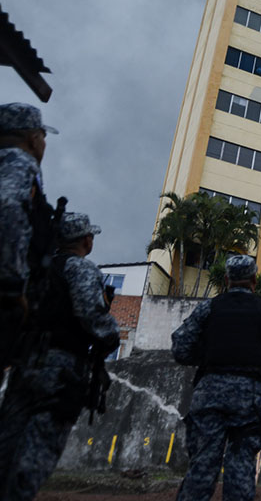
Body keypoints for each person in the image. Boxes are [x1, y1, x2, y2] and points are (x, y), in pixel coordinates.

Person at [0, 212, 120, 501]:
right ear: (85, 240)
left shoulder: (36, 270)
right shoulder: (81, 269)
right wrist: (111, 335)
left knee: (6, 445)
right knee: (37, 453)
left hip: (24, 365)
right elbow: (91, 315)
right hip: (61, 370)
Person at [173, 255, 261, 501]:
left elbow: (180, 348)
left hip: (209, 395)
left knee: (202, 465)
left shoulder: (208, 308)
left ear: (226, 280)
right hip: (250, 399)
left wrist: (207, 356)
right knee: (241, 466)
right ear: (254, 280)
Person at [0, 102, 58, 368]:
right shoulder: (20, 163)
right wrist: (13, 285)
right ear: (34, 138)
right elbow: (8, 207)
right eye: (43, 137)